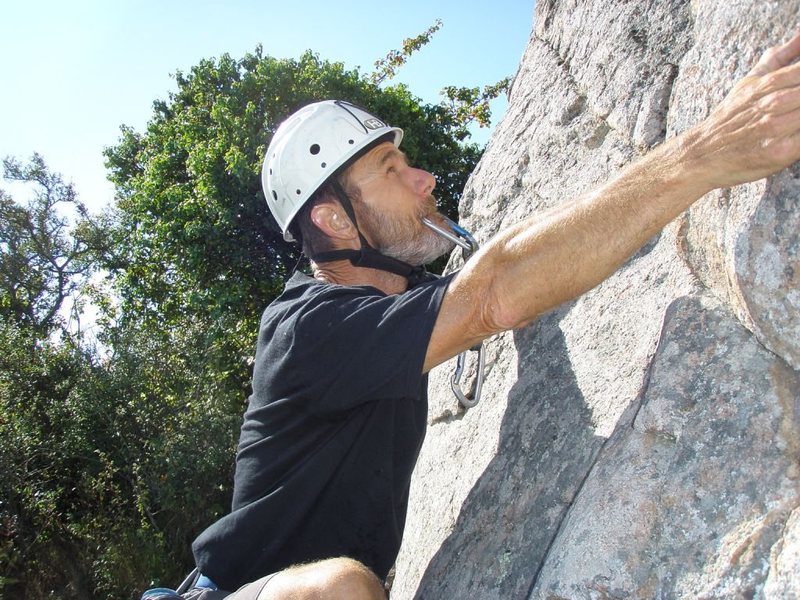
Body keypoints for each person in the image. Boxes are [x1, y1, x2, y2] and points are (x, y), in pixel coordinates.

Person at [144, 31, 800, 600]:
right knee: (340, 588)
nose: (424, 178)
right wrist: (704, 154)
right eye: (390, 169)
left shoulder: (390, 306)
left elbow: (504, 267)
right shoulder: (306, 328)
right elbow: (494, 294)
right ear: (335, 219)